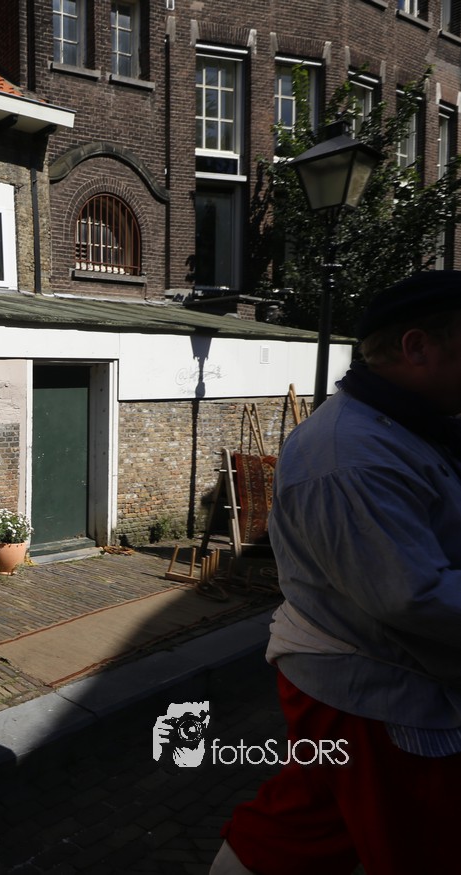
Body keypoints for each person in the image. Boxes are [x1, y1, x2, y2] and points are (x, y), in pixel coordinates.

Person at [212, 270, 461, 874]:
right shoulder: (351, 456)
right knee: (417, 839)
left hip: (371, 679)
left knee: (310, 816)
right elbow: (412, 596)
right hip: (377, 687)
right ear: (417, 347)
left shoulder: (410, 429)